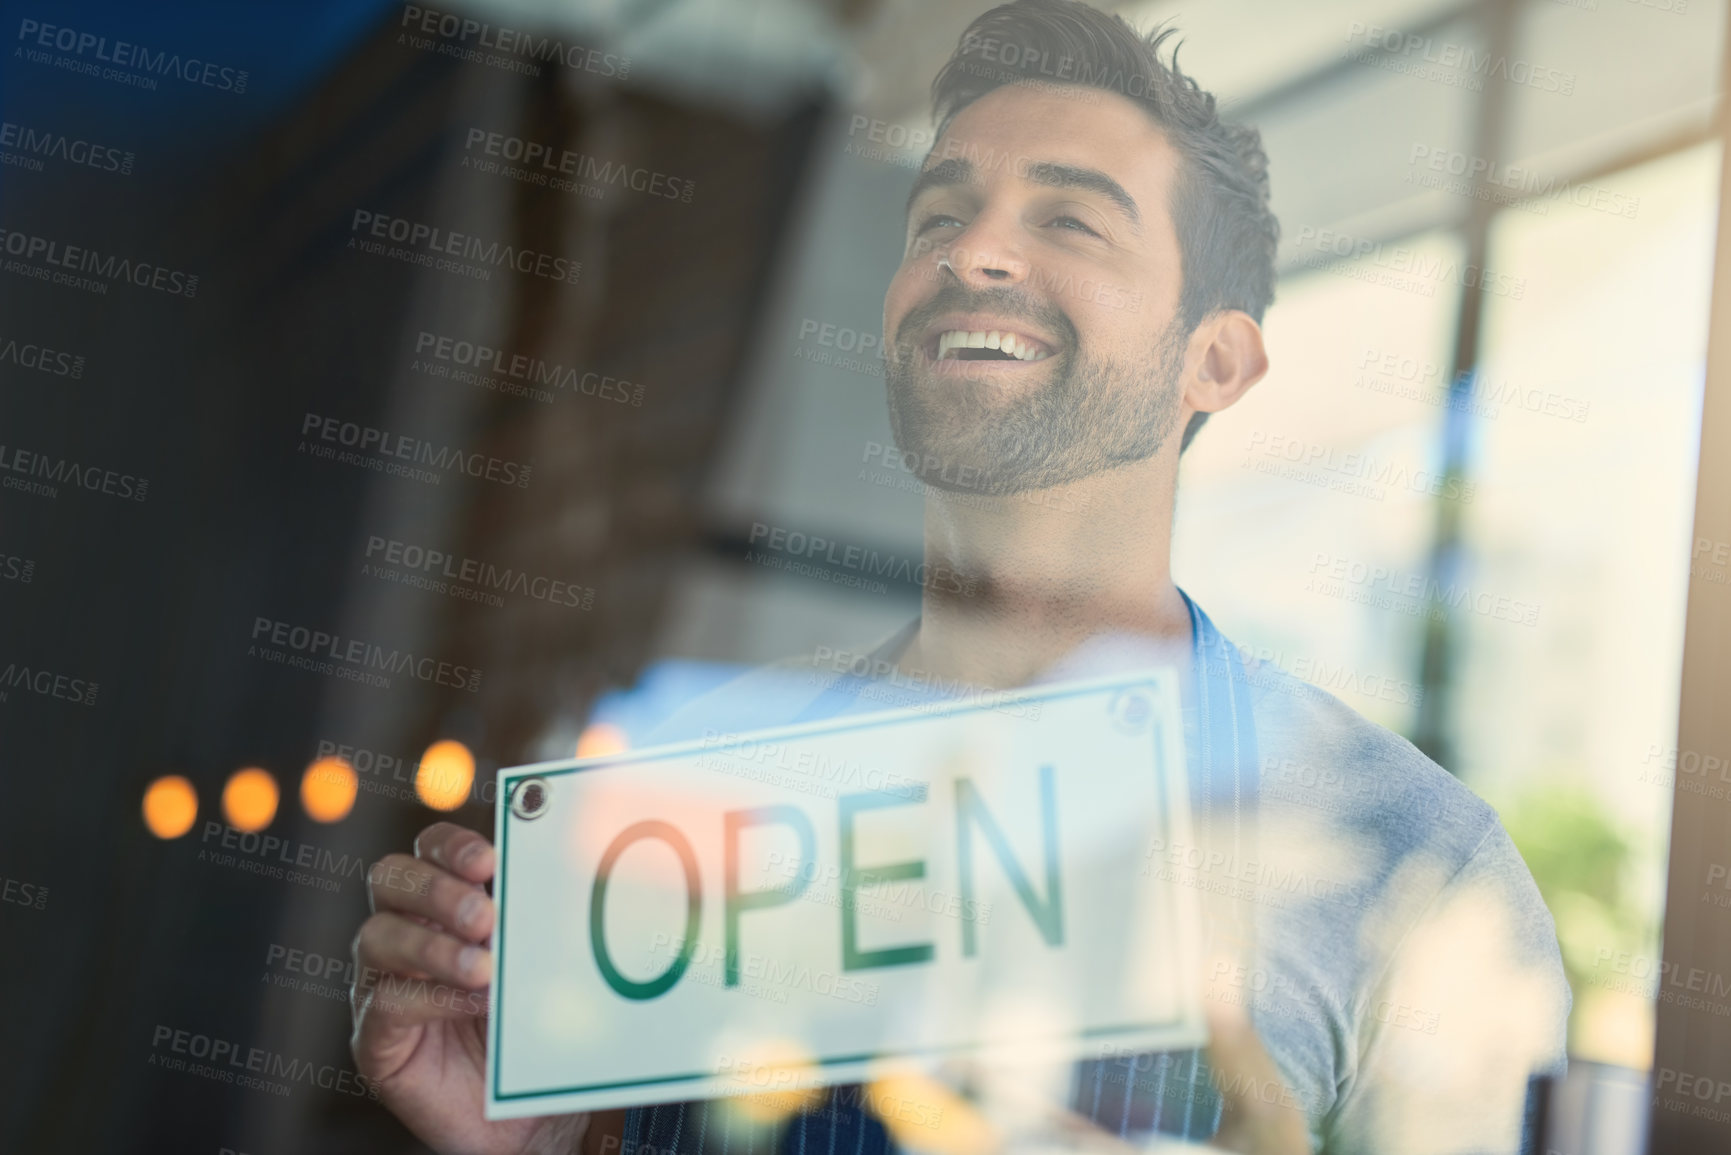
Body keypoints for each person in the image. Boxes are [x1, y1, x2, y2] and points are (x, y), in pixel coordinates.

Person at [351, 3, 1569, 1152]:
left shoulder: (1405, 863)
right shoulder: (701, 790)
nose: (974, 251)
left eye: (1071, 219)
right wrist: (552, 1143)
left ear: (1216, 360)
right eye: (940, 214)